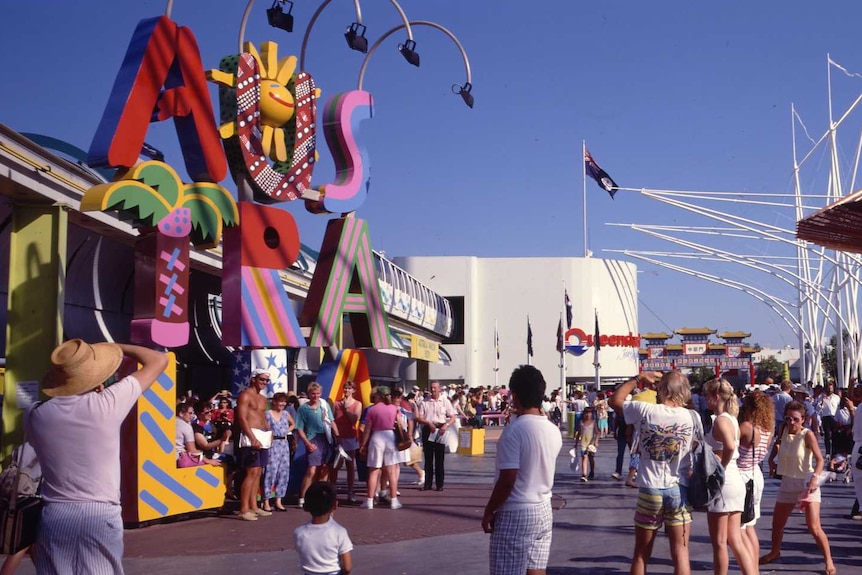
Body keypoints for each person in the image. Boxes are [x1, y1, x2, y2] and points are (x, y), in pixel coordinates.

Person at [25, 339, 167, 574]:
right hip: (99, 512)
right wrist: (113, 346)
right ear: (96, 379)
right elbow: (158, 359)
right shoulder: (107, 403)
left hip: (55, 512)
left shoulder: (35, 414)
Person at [609, 371, 697, 575]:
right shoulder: (692, 416)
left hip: (650, 488)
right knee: (681, 551)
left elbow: (615, 400)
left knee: (641, 552)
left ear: (661, 389)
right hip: (679, 488)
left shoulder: (646, 410)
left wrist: (638, 378)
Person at [482, 365, 562, 575]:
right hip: (544, 507)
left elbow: (507, 479)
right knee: (536, 569)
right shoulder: (553, 430)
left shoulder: (514, 431)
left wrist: (490, 510)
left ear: (515, 396)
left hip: (516, 510)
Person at [762, 401, 835, 575]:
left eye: (795, 419)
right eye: (788, 418)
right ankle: (774, 552)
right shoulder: (783, 429)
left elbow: (820, 460)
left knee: (814, 527)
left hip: (806, 484)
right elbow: (777, 445)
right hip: (787, 483)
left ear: (803, 419)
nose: (791, 423)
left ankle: (829, 561)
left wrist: (814, 479)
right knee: (777, 524)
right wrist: (772, 460)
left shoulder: (807, 435)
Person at [702, 378, 758, 575]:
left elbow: (730, 446)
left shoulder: (721, 420)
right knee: (735, 538)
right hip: (736, 481)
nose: (705, 400)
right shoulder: (733, 419)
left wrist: (719, 469)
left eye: (707, 396)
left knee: (719, 542)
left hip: (724, 482)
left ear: (716, 396)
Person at [737, 390, 774, 561]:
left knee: (739, 528)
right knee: (750, 525)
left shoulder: (746, 428)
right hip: (755, 474)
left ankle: (749, 566)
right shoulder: (768, 429)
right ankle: (754, 563)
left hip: (741, 476)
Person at [295, 382, 340, 509]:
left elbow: (331, 422)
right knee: (312, 470)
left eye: (318, 393)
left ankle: (320, 495)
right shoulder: (303, 409)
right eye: (313, 393)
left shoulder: (324, 405)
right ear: (309, 394)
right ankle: (303, 497)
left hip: (326, 438)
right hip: (312, 439)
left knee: (325, 468)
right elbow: (299, 428)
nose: (315, 396)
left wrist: (338, 436)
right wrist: (307, 443)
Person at [236, 368, 273, 521]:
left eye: (266, 380)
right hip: (250, 435)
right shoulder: (245, 395)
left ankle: (254, 506)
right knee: (251, 472)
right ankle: (244, 509)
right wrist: (252, 438)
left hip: (262, 435)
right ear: (253, 379)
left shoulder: (263, 399)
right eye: (261, 379)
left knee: (258, 472)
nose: (264, 382)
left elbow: (263, 418)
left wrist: (269, 432)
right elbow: (242, 418)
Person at [293, 481, 353, 575]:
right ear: (335, 505)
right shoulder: (339, 532)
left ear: (306, 506)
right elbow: (347, 567)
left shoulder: (299, 532)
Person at [359, 386, 403, 510]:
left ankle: (369, 500)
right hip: (390, 436)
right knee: (391, 471)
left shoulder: (372, 410)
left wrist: (363, 444)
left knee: (374, 470)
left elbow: (367, 428)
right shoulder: (394, 409)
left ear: (378, 396)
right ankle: (394, 500)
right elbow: (400, 424)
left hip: (376, 437)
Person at [416, 381, 456, 491]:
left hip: (440, 429)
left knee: (440, 459)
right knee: (428, 459)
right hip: (429, 428)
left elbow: (452, 417)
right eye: (431, 388)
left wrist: (446, 425)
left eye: (435, 388)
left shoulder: (445, 401)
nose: (433, 390)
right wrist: (428, 423)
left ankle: (440, 484)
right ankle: (427, 484)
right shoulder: (424, 401)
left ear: (439, 389)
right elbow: (419, 417)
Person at [262, 392, 295, 513]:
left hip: (284, 444)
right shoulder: (268, 414)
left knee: (283, 472)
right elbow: (264, 427)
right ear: (274, 402)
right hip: (272, 444)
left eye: (284, 402)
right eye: (280, 401)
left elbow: (293, 424)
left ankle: (278, 500)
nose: (282, 404)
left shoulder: (286, 413)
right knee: (271, 471)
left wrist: (287, 431)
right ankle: (265, 500)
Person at [332, 381, 363, 504]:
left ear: (353, 390)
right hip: (339, 437)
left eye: (350, 388)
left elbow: (354, 419)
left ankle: (351, 491)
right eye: (345, 388)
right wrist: (336, 434)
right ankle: (332, 491)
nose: (347, 390)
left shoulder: (357, 404)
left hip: (350, 437)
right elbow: (333, 419)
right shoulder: (336, 403)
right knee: (335, 466)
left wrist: (346, 407)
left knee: (350, 466)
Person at [575, 407, 598, 482]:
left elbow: (597, 433)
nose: (587, 415)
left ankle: (592, 471)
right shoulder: (581, 422)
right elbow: (578, 433)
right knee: (584, 457)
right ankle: (584, 474)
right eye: (586, 413)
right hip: (583, 443)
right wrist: (575, 443)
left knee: (591, 458)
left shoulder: (593, 422)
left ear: (592, 414)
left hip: (591, 444)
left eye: (589, 413)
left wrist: (596, 441)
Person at [818, 381, 840, 457]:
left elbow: (838, 408)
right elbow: (817, 408)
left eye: (831, 388)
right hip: (825, 417)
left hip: (834, 417)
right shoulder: (821, 397)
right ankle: (827, 452)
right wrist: (822, 401)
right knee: (827, 435)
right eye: (828, 388)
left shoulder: (836, 398)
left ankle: (834, 452)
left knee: (835, 435)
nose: (830, 389)